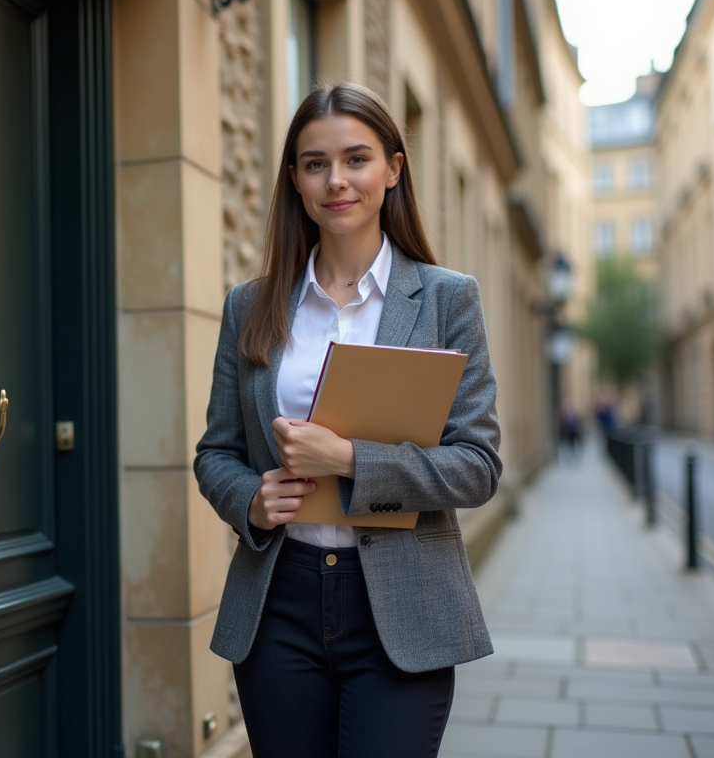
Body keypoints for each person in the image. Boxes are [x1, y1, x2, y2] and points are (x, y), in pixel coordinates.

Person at [194, 83, 502, 758]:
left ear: (393, 169)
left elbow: (478, 466)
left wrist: (351, 461)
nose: (337, 180)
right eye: (314, 163)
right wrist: (250, 497)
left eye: (356, 159)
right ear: (296, 180)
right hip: (279, 602)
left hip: (402, 604)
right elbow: (215, 452)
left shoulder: (447, 299)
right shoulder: (250, 306)